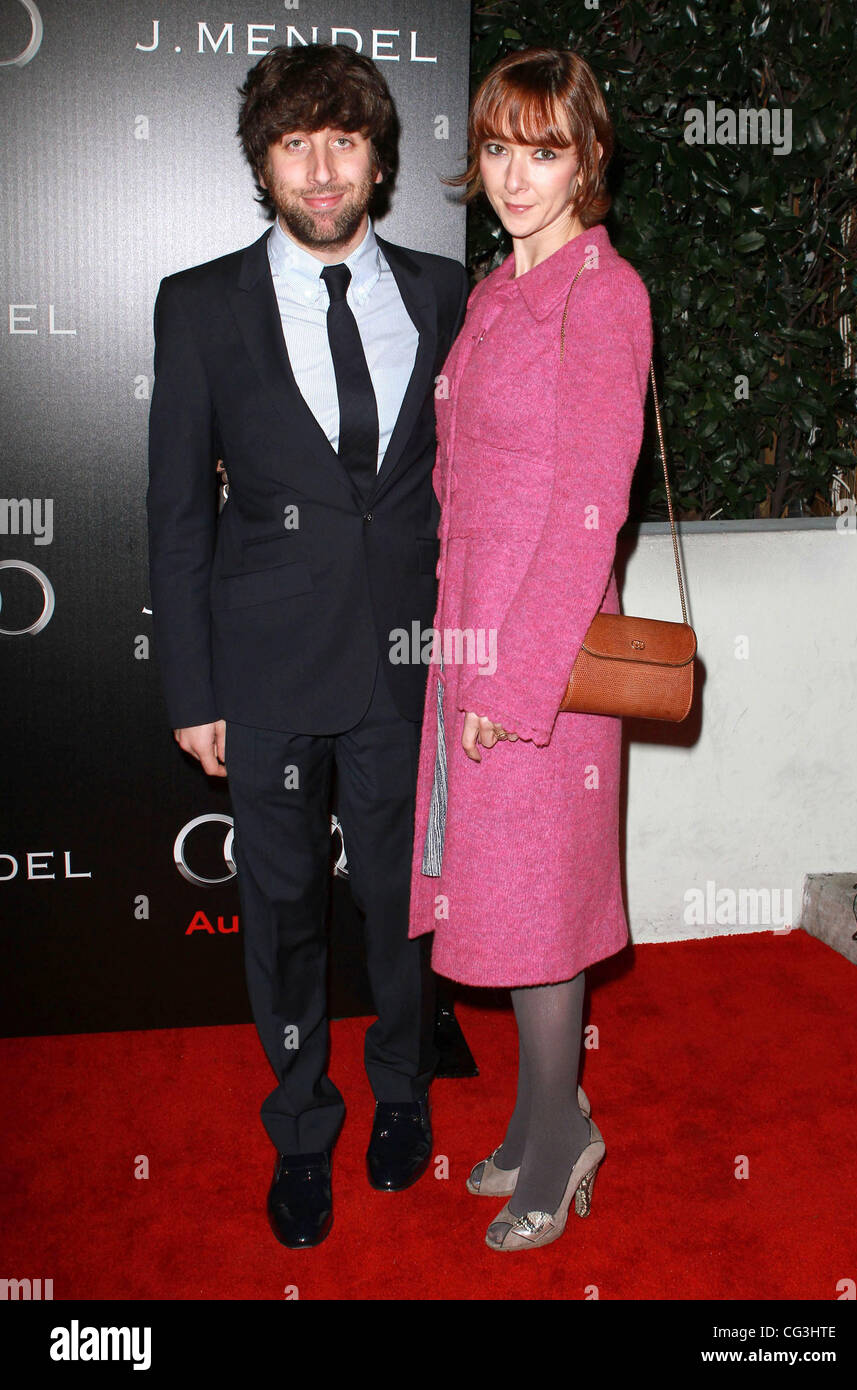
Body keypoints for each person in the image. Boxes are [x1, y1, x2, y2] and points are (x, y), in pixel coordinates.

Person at [147, 43, 468, 1249]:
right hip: (266, 671)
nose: (322, 169)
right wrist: (194, 685)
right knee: (282, 918)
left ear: (379, 158)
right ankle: (300, 1128)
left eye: (343, 141)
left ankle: (401, 1094)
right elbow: (175, 511)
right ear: (263, 162)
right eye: (295, 143)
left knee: (400, 907)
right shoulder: (199, 303)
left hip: (405, 662)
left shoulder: (443, 293)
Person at [409, 47, 652, 1251]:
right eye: (499, 147)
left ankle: (562, 1139)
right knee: (501, 903)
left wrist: (512, 680)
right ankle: (537, 1110)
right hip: (471, 637)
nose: (514, 174)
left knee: (536, 911)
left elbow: (588, 509)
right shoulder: (495, 291)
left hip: (536, 658)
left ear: (585, 158)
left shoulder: (603, 295)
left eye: (542, 149)